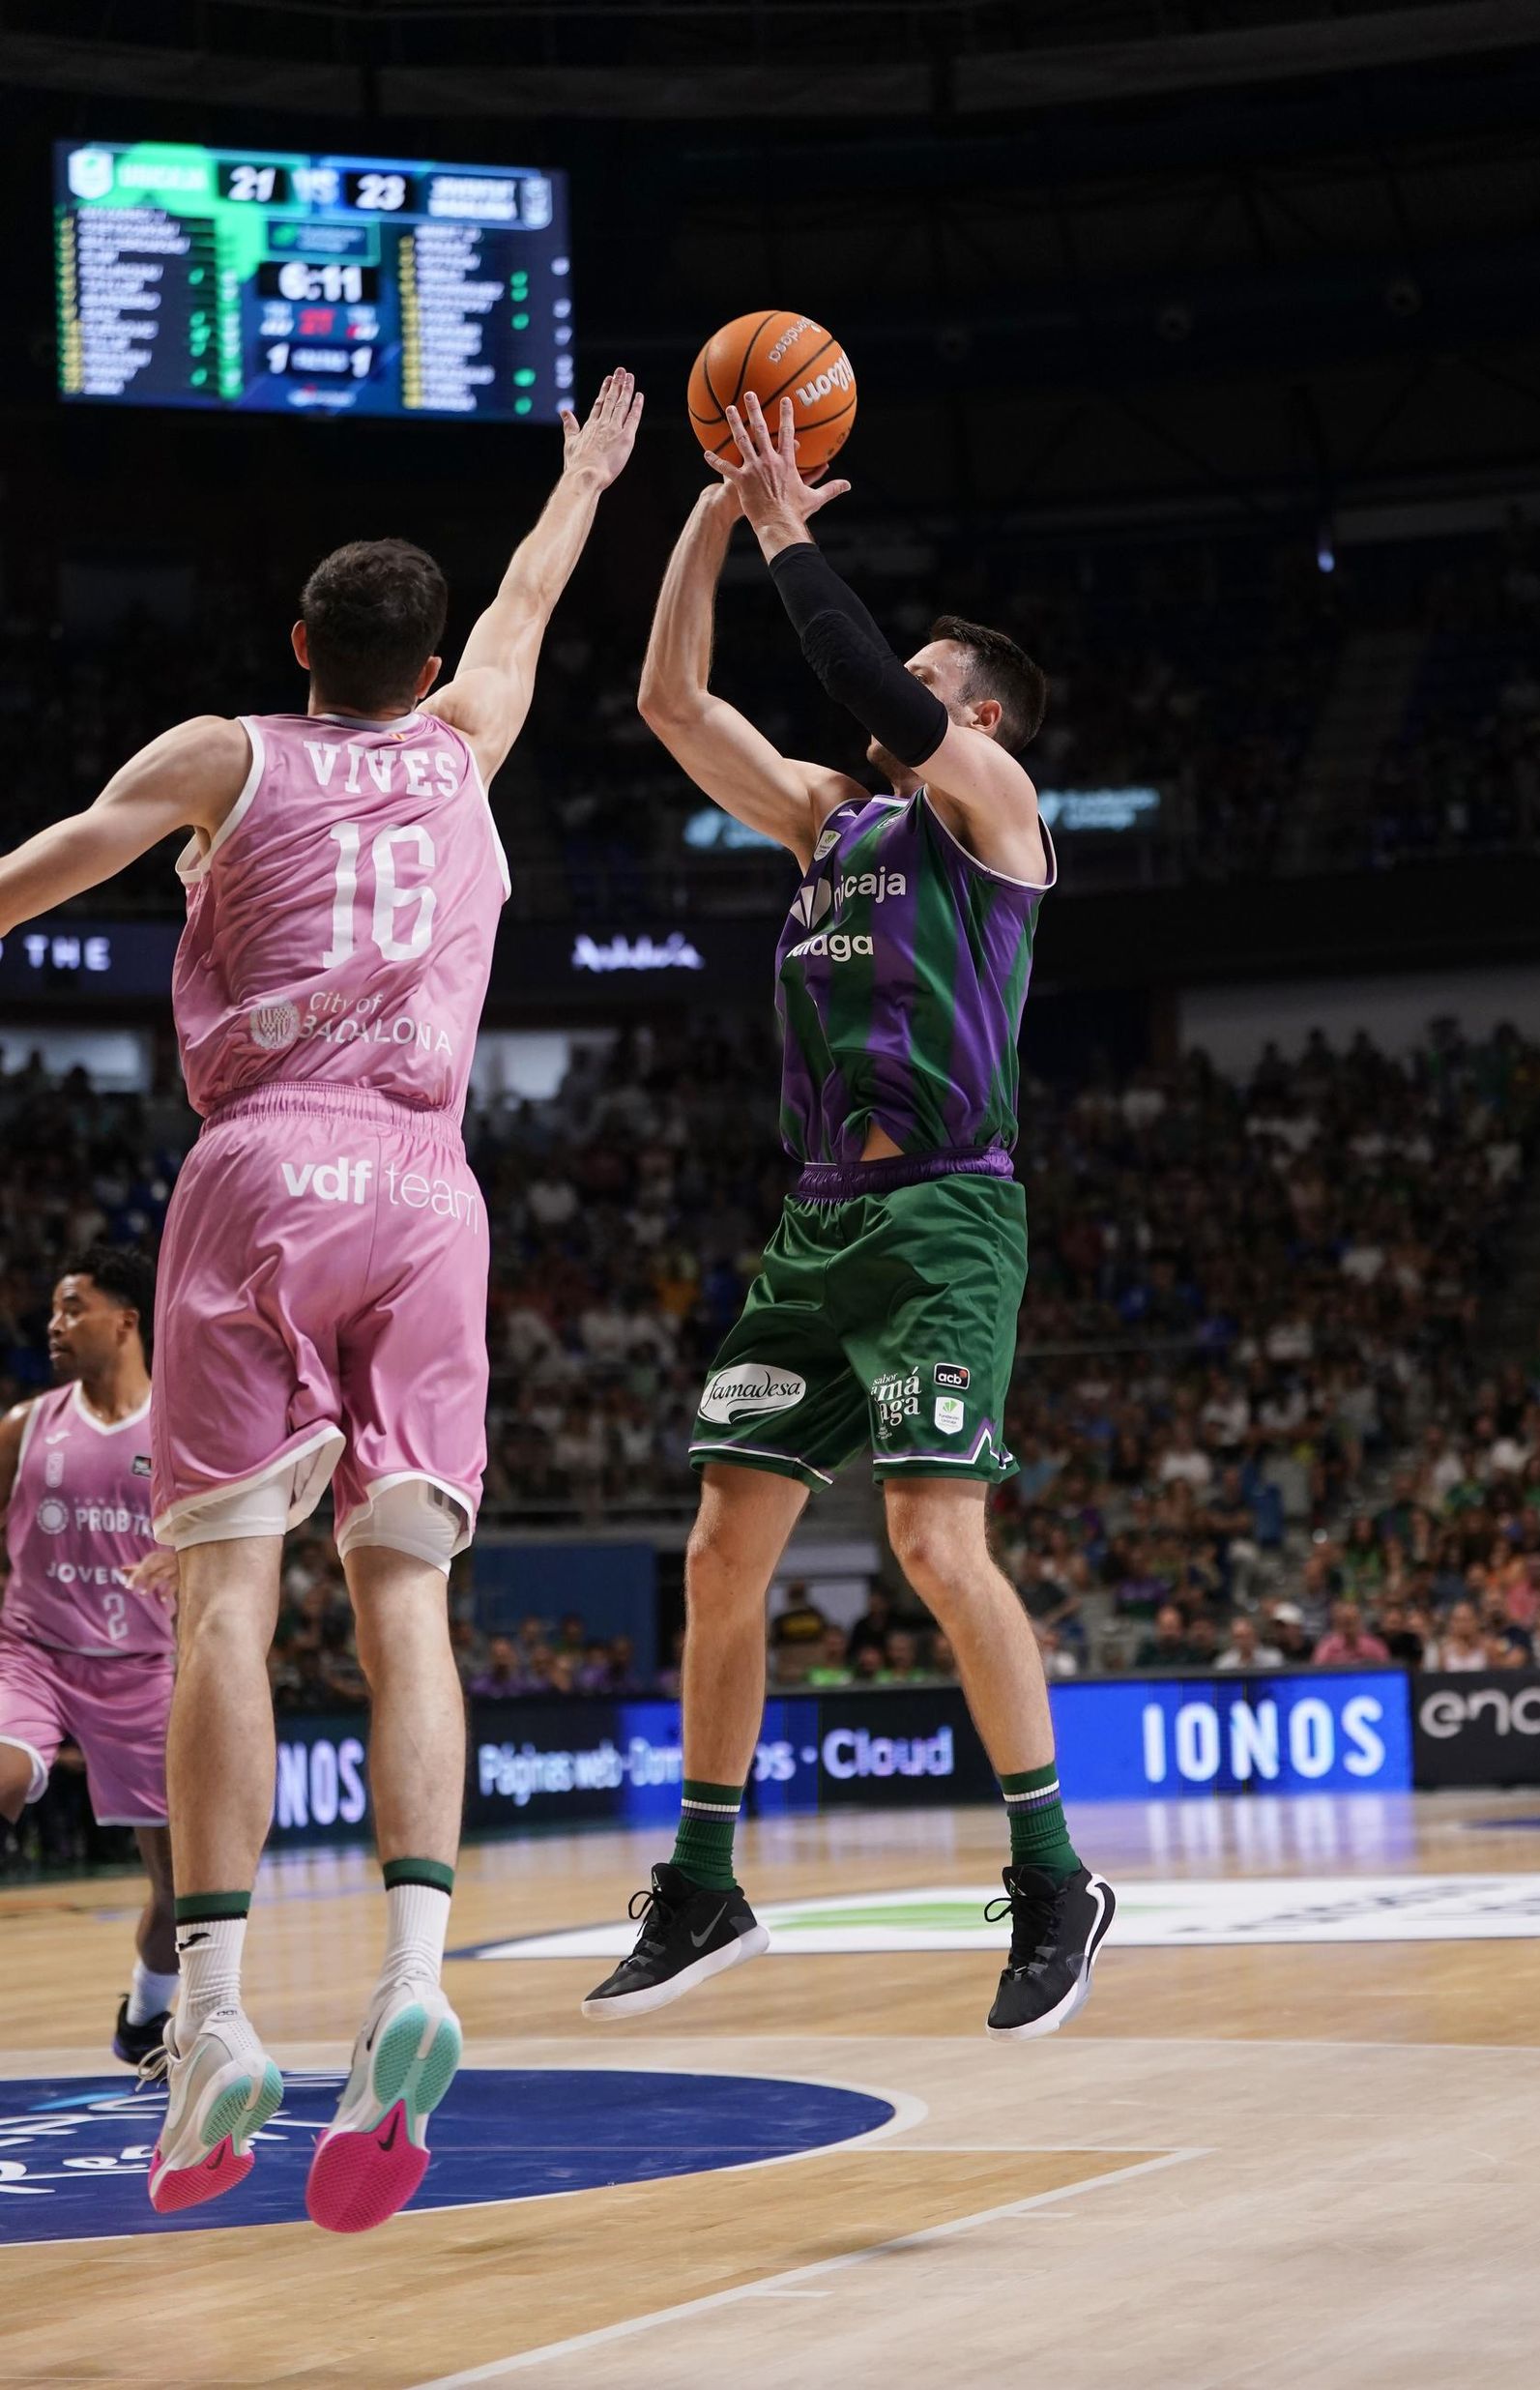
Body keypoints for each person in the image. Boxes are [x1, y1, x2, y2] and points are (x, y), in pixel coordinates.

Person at [0, 371, 642, 2228]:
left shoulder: (225, 752)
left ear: (298, 645)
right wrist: (585, 478)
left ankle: (212, 2013)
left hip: (264, 1169)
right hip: (431, 1190)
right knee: (406, 1598)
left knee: (223, 1599)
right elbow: (529, 601)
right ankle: (416, 1977)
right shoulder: (465, 744)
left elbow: (41, 873)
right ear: (422, 664)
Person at [583, 391, 1114, 2043]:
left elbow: (870, 680)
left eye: (932, 681)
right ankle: (704, 1884)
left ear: (983, 718)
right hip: (817, 1224)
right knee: (720, 1549)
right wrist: (712, 519)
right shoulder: (831, 819)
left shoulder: (995, 813)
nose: (903, 689)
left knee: (936, 1545)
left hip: (946, 1218)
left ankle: (1054, 1878)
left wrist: (785, 526)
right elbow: (673, 701)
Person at [0, 1247, 177, 2066]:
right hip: (32, 1652)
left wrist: (190, 1559)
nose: (54, 1323)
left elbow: (239, 1541)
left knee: (183, 1889)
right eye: (53, 1310)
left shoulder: (183, 1431)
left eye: (73, 1308)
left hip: (143, 1669)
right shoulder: (24, 1427)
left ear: (126, 1321)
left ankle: (144, 2019)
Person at [1214, 1616, 1283, 1673]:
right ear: (1233, 1640)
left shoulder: (1273, 1658)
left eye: (1247, 1635)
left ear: (1255, 1635)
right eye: (1238, 1637)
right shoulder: (1224, 1663)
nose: (1243, 1641)